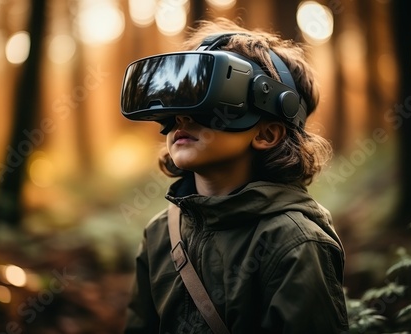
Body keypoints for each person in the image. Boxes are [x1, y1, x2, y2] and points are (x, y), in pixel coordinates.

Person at [121, 18, 349, 334]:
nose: (183, 117)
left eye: (208, 99)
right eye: (181, 97)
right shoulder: (161, 231)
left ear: (267, 133)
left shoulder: (294, 242)